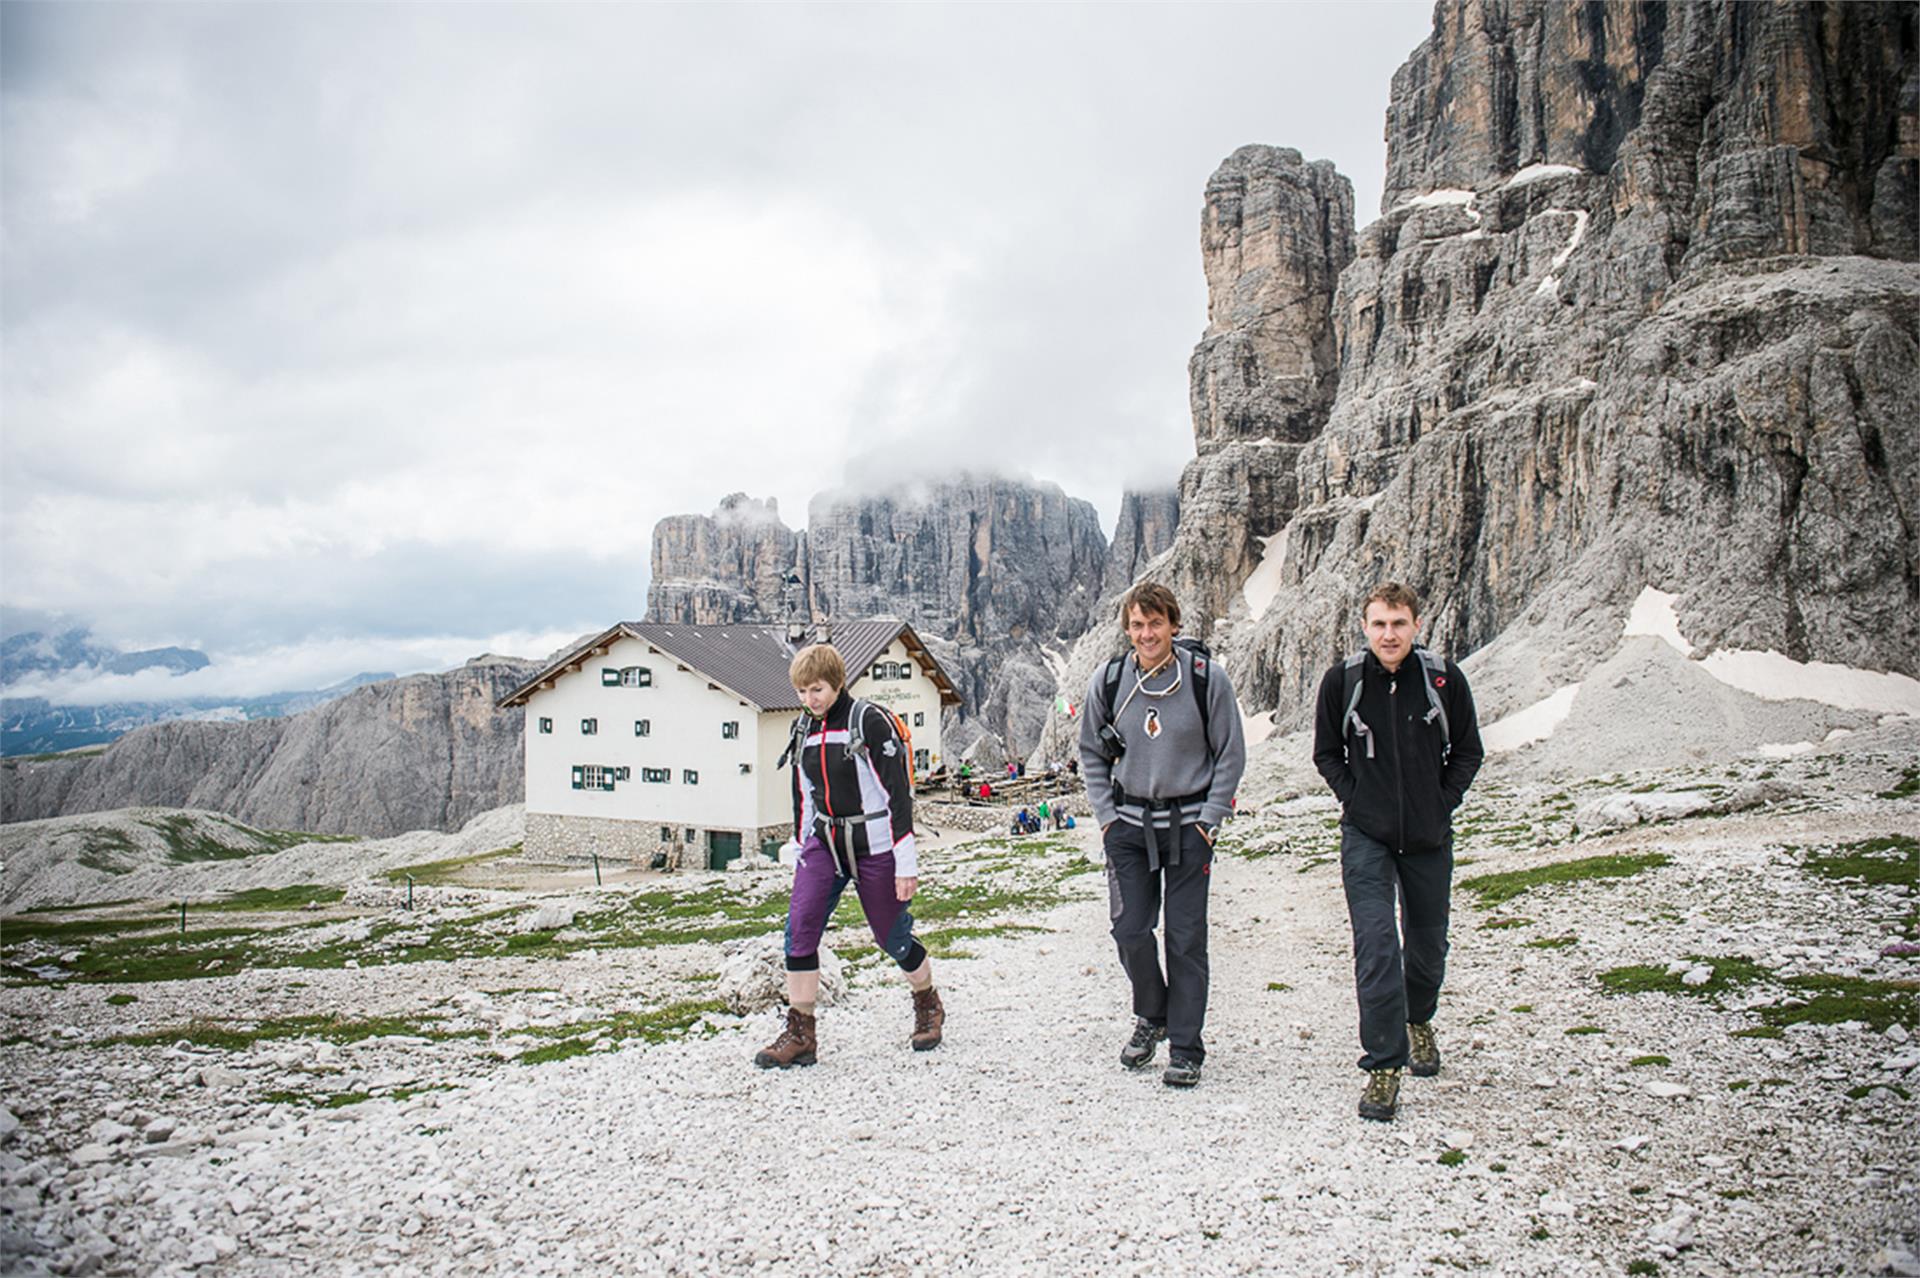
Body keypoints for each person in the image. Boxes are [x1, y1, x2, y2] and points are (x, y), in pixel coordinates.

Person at [1311, 582, 1484, 1121]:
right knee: (1377, 943)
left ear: (1415, 625)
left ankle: (1419, 1020)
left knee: (1428, 944)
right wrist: (1357, 800)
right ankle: (1384, 1067)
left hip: (1429, 836)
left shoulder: (1443, 680)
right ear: (1365, 627)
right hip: (1366, 834)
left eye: (1398, 624)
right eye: (1379, 624)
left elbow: (1468, 752)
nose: (1389, 634)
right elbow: (1326, 753)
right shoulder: (1344, 681)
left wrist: (1441, 803)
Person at [1079, 581, 1245, 1088]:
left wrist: (1210, 820)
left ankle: (1188, 1047)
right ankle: (1152, 1015)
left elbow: (1230, 754)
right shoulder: (1108, 682)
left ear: (1174, 624)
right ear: (1127, 629)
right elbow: (1090, 752)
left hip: (1189, 825)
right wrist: (1106, 818)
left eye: (1155, 623)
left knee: (1185, 935)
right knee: (1129, 930)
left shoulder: (1205, 679)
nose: (1146, 634)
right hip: (1128, 826)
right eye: (1137, 625)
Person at [755, 643, 945, 1068]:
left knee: (891, 936)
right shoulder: (803, 728)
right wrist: (801, 845)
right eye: (802, 692)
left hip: (874, 843)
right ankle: (801, 1032)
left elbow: (898, 794)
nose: (810, 700)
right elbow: (803, 793)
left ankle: (927, 1002)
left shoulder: (868, 722)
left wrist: (905, 861)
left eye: (817, 689)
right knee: (800, 929)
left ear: (838, 684)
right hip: (824, 843)